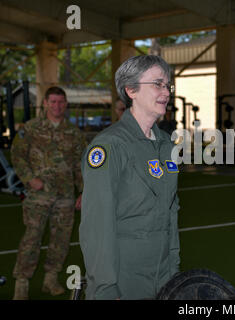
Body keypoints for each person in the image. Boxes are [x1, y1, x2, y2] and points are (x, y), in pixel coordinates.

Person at [79, 55, 180, 300]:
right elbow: (97, 226)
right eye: (157, 84)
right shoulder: (110, 146)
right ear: (131, 90)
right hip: (124, 277)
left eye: (168, 85)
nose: (165, 92)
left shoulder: (166, 145)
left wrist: (174, 271)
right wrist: (105, 289)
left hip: (163, 275)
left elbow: (171, 213)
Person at [11, 86, 86, 300]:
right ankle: (22, 283)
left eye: (61, 102)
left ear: (66, 104)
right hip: (38, 196)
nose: (57, 106)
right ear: (44, 103)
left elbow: (80, 165)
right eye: (52, 102)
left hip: (65, 196)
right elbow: (17, 156)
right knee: (31, 238)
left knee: (61, 240)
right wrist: (29, 179)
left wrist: (83, 191)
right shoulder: (31, 128)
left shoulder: (74, 133)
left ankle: (50, 279)